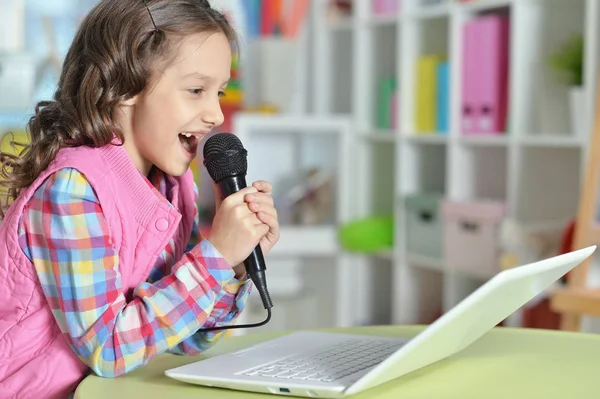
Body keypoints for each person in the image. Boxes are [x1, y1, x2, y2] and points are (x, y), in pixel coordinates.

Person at [0, 1, 280, 398]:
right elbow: (109, 349)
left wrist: (233, 266)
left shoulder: (172, 186)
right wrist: (213, 257)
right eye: (196, 90)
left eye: (218, 92)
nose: (216, 114)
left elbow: (187, 338)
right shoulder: (73, 191)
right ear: (125, 85)